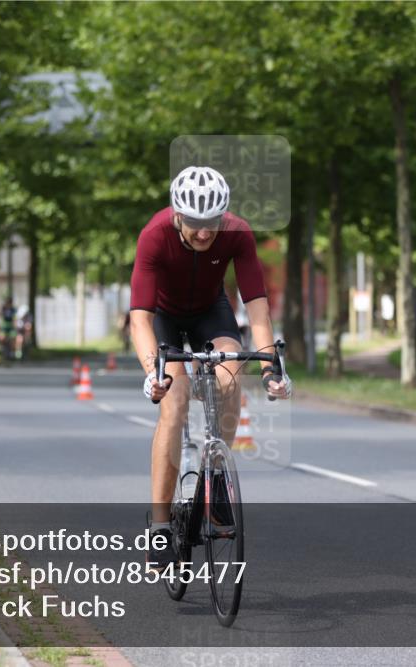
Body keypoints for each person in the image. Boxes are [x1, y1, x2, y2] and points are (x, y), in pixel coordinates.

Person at [129, 165, 292, 571]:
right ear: (178, 215)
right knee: (177, 398)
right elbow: (140, 320)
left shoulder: (237, 232)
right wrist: (155, 373)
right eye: (197, 224)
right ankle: (161, 526)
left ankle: (216, 475)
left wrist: (271, 364)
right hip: (164, 316)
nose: (205, 233)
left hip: (210, 312)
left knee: (232, 367)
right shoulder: (154, 235)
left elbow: (256, 307)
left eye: (213, 223)